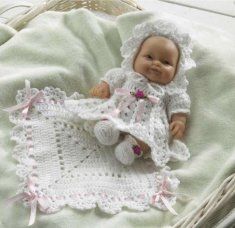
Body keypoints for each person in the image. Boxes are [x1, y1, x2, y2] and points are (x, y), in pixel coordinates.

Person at [40, 19, 196, 167]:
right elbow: (112, 78)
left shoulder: (171, 91)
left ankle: (132, 147)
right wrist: (104, 86)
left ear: (177, 71)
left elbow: (179, 105)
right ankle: (109, 128)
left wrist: (179, 120)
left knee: (153, 137)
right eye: (149, 57)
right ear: (134, 57)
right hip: (119, 110)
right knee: (107, 112)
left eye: (166, 62)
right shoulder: (127, 75)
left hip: (149, 123)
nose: (156, 63)